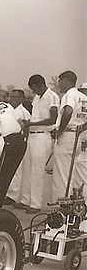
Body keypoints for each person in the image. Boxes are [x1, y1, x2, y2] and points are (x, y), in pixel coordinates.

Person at [17, 74, 60, 213]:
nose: (34, 92)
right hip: (32, 135)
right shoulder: (37, 97)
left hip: (42, 136)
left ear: (41, 85)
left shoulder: (52, 96)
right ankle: (25, 199)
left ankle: (35, 204)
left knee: (37, 170)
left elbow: (52, 119)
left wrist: (32, 123)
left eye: (35, 88)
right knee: (27, 168)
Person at [51, 70, 87, 202]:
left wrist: (60, 130)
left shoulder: (70, 94)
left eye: (59, 81)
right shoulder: (83, 97)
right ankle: (75, 205)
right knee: (75, 175)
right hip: (78, 136)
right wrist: (81, 127)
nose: (59, 84)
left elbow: (68, 110)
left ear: (66, 80)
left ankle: (60, 207)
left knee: (62, 175)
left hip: (67, 136)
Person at [0, 97, 26, 207]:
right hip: (19, 140)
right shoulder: (8, 106)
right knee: (7, 176)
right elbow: (21, 124)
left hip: (6, 141)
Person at [5, 89, 32, 204]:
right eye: (11, 97)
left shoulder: (23, 112)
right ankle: (7, 192)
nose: (12, 99)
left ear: (21, 99)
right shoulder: (9, 110)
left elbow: (26, 128)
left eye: (15, 97)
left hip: (19, 140)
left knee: (17, 170)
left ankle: (13, 195)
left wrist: (25, 140)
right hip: (9, 140)